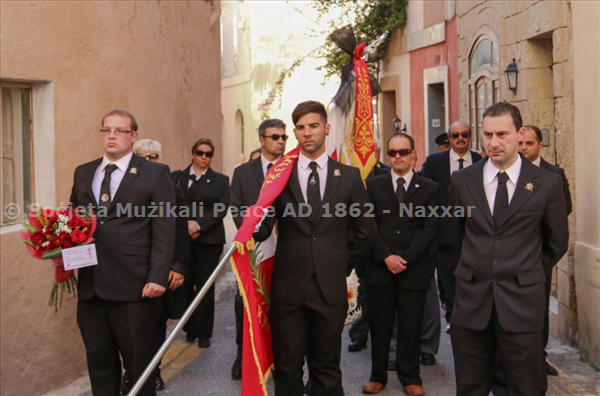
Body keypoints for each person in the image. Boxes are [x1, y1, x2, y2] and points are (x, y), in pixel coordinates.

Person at [254, 100, 376, 396]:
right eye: (300, 128)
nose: (307, 133)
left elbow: (365, 231)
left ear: (326, 128)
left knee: (327, 368)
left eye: (313, 126)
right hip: (288, 286)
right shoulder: (279, 175)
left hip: (329, 286)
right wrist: (252, 225)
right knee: (288, 367)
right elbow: (264, 222)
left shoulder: (347, 176)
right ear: (295, 132)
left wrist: (339, 262)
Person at [449, 102, 569, 396]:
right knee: (470, 388)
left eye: (502, 134)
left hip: (522, 306)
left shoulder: (547, 184)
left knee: (524, 388)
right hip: (471, 305)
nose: (493, 142)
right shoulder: (462, 181)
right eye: (488, 135)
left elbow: (556, 241)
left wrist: (525, 272)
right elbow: (453, 236)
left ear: (520, 133)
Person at [69, 109, 175, 396]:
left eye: (119, 130)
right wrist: (59, 257)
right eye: (106, 130)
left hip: (135, 287)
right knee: (100, 363)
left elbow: (165, 228)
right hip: (91, 287)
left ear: (133, 136)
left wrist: (158, 276)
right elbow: (73, 221)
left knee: (140, 368)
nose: (112, 135)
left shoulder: (155, 173)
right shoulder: (83, 172)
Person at [361, 133, 441, 396]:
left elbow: (430, 229)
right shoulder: (373, 186)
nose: (398, 157)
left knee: (411, 324)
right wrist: (386, 256)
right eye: (393, 152)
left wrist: (405, 258)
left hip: (413, 269)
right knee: (380, 325)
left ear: (413, 154)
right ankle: (377, 376)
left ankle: (411, 377)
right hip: (380, 268)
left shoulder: (430, 188)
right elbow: (368, 225)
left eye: (403, 152)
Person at [118, 139, 188, 393]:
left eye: (154, 156)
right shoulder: (120, 185)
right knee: (125, 325)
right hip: (127, 268)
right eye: (142, 156)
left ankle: (152, 371)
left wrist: (178, 266)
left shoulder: (169, 185)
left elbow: (179, 228)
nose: (149, 161)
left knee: (155, 323)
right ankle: (130, 375)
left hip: (158, 267)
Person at [230, 119, 287, 380]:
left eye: (284, 137)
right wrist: (253, 231)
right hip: (252, 250)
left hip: (284, 250)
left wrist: (271, 226)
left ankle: (278, 360)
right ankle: (245, 356)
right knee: (247, 305)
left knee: (281, 308)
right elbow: (236, 205)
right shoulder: (243, 172)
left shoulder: (292, 169)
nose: (281, 141)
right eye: (275, 137)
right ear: (261, 140)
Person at [519, 125, 573, 383]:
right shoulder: (511, 172)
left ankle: (539, 357)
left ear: (540, 144)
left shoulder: (554, 174)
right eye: (521, 144)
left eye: (529, 143)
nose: (524, 148)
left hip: (539, 252)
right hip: (513, 252)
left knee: (539, 308)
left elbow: (565, 210)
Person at [421, 121, 483, 333]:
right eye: (455, 135)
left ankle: (468, 315)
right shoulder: (434, 162)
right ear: (450, 137)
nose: (460, 138)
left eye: (464, 134)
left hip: (474, 232)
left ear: (470, 136)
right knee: (448, 276)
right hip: (445, 232)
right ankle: (454, 316)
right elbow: (427, 197)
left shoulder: (480, 160)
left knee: (472, 275)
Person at [171, 138, 229, 348]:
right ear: (192, 154)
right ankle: (190, 327)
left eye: (208, 154)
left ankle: (204, 333)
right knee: (185, 284)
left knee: (204, 286)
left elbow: (221, 208)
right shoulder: (177, 177)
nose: (204, 157)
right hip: (183, 240)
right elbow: (172, 203)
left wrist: (199, 225)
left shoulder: (221, 180)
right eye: (200, 152)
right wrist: (186, 225)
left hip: (209, 240)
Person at [347, 139, 391, 353]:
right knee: (357, 291)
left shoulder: (388, 174)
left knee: (379, 294)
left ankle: (382, 336)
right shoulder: (349, 174)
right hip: (357, 241)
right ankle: (358, 335)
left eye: (372, 152)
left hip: (381, 241)